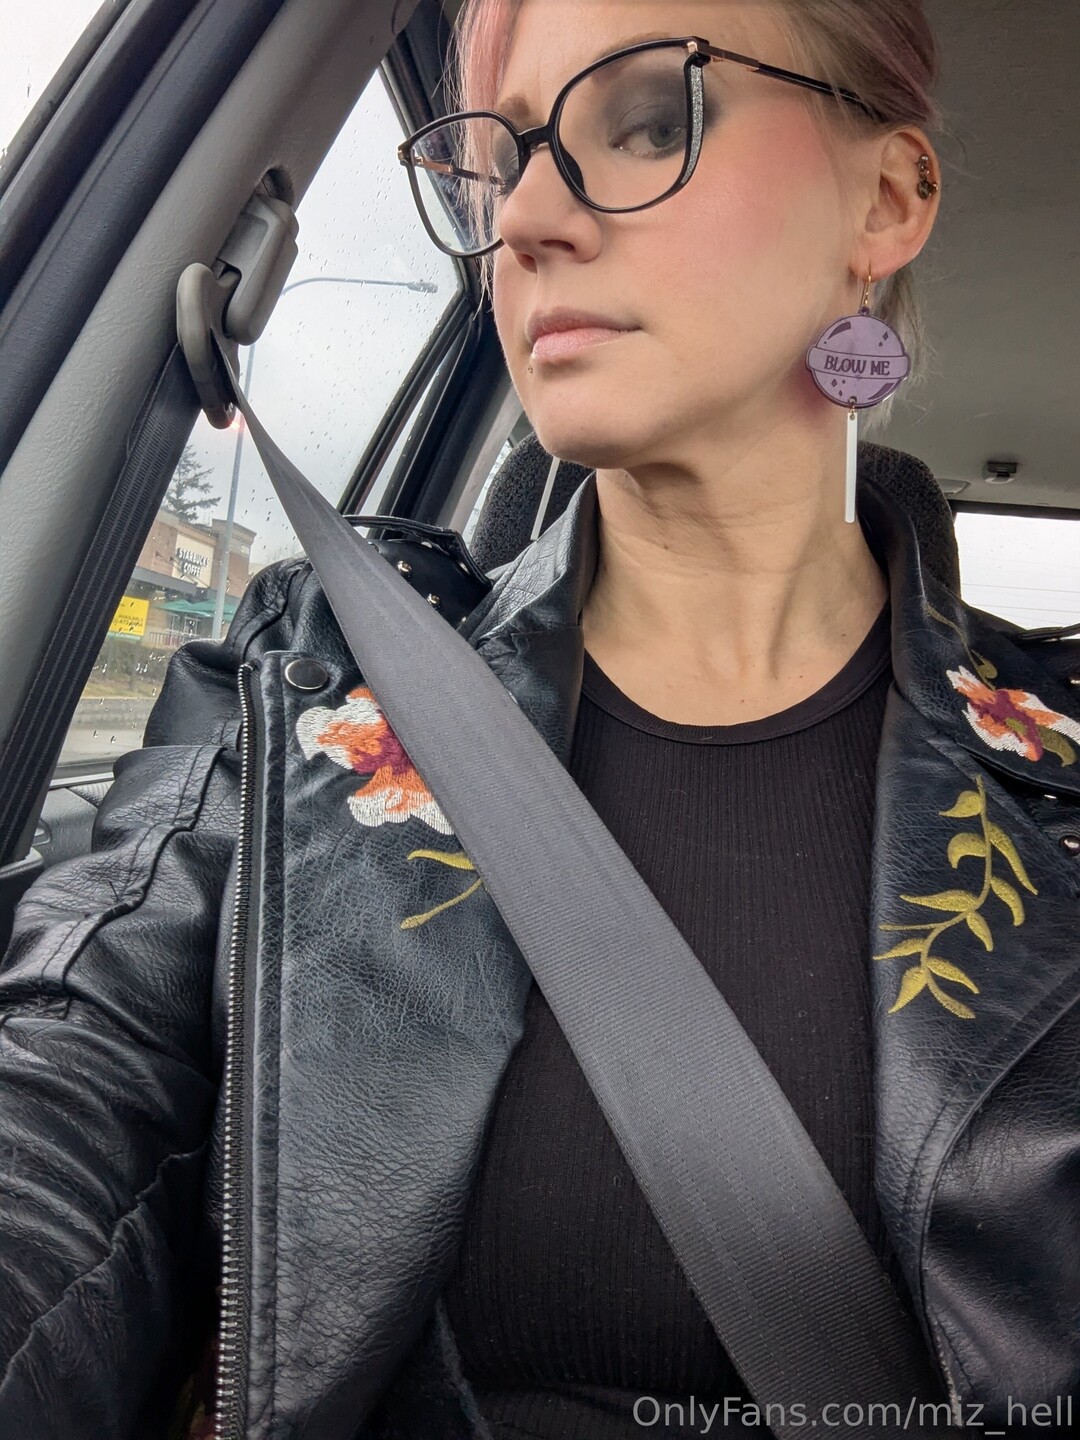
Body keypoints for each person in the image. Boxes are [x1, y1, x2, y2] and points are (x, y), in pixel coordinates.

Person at [0, 1, 1078, 1438]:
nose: (525, 222)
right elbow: (76, 1072)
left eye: (652, 120)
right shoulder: (319, 677)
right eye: (498, 165)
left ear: (884, 199)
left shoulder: (1062, 777)